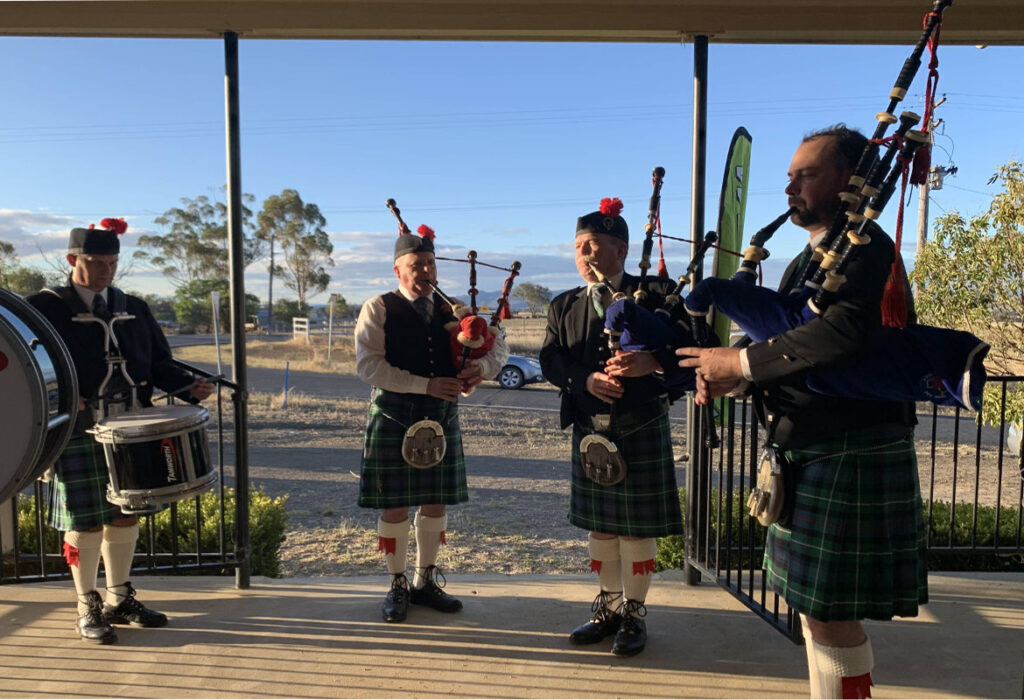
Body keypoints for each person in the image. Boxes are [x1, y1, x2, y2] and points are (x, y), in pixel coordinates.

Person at [677, 125, 926, 698]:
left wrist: (739, 366)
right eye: (789, 176)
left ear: (848, 180)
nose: (789, 187)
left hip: (849, 448)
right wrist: (732, 375)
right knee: (815, 613)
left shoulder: (867, 253)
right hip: (809, 448)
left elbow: (839, 337)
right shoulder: (802, 263)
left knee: (831, 614)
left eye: (805, 175)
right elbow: (791, 346)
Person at [26, 219, 213, 644]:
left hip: (132, 430)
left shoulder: (134, 306)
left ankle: (119, 596)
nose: (108, 270)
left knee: (125, 512)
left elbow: (159, 363)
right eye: (98, 262)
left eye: (113, 262)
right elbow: (27, 366)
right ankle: (85, 604)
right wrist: (59, 398)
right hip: (78, 429)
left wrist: (188, 386)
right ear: (73, 260)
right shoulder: (43, 306)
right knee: (85, 521)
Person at [539, 197, 688, 657]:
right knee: (603, 528)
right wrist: (583, 379)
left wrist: (652, 362)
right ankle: (607, 609)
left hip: (640, 424)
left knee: (636, 530)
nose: (584, 255)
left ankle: (634, 614)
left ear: (621, 250)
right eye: (579, 246)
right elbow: (550, 358)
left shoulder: (660, 295)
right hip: (590, 430)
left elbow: (691, 349)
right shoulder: (563, 305)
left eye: (594, 246)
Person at [354, 224, 508, 623]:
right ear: (397, 270)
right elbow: (368, 366)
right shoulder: (379, 307)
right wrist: (425, 384)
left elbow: (499, 345)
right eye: (416, 265)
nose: (425, 272)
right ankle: (397, 583)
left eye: (430, 264)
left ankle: (425, 581)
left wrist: (481, 369)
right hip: (393, 414)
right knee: (395, 505)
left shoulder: (454, 308)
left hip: (440, 417)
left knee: (435, 501)